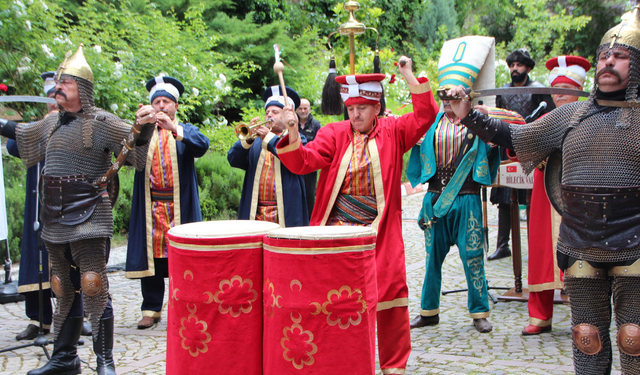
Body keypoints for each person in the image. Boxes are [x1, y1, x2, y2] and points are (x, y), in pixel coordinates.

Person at [447, 8, 640, 373]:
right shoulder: (572, 117)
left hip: (636, 242)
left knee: (634, 338)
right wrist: (469, 114)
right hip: (580, 240)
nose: (609, 62)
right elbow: (516, 137)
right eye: (604, 55)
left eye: (621, 56)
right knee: (587, 337)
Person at [276, 56, 438, 375]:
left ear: (376, 106)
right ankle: (337, 360)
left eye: (362, 108)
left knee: (391, 293)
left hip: (379, 231)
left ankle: (394, 366)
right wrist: (292, 132)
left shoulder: (394, 131)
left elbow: (426, 115)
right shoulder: (335, 134)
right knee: (334, 301)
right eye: (351, 108)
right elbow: (303, 162)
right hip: (337, 234)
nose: (355, 114)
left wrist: (407, 75)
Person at [0, 44, 153, 375]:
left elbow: (136, 151)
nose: (58, 87)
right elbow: (21, 133)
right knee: (61, 285)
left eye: (65, 83)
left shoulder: (102, 122)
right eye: (58, 82)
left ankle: (104, 361)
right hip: (55, 216)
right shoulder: (52, 123)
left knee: (93, 284)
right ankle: (65, 357)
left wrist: (147, 124)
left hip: (88, 214)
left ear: (82, 90)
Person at [125, 76, 209, 329]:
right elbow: (124, 155)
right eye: (157, 101)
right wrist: (138, 127)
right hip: (150, 208)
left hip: (179, 207)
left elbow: (202, 146)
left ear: (175, 106)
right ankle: (150, 310)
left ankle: (184, 306)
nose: (161, 106)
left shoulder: (185, 130)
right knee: (151, 260)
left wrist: (174, 128)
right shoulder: (142, 132)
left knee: (181, 258)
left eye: (166, 102)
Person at [518, 55, 591, 336]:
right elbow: (523, 153)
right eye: (557, 88)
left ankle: (583, 315)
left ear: (578, 88)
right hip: (545, 195)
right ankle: (540, 316)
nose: (560, 93)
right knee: (541, 252)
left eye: (567, 87)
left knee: (581, 256)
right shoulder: (544, 120)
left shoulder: (592, 118)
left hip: (581, 198)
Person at [489, 48, 556, 261]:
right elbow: (496, 118)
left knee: (530, 199)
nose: (514, 68)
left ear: (527, 67)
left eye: (519, 64)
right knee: (506, 199)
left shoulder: (538, 90)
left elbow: (548, 117)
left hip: (532, 147)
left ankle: (534, 246)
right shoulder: (503, 91)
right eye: (512, 65)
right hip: (506, 147)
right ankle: (502, 245)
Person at [8, 71, 57, 341]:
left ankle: (74, 317)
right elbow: (14, 146)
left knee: (69, 263)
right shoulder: (35, 126)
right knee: (34, 260)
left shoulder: (76, 124)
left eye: (57, 99)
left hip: (68, 207)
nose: (53, 104)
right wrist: (41, 126)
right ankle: (39, 320)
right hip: (37, 207)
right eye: (49, 99)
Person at [227, 85, 308, 227]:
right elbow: (233, 159)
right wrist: (248, 139)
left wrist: (269, 138)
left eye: (275, 112)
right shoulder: (256, 142)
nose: (269, 115)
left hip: (286, 210)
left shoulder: (297, 138)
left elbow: (297, 158)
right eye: (267, 112)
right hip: (255, 211)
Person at [296, 98, 321, 218]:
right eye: (300, 108)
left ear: (310, 109)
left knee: (309, 195)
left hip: (310, 167)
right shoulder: (292, 123)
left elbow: (320, 144)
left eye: (305, 108)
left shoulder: (315, 124)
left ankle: (310, 221)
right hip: (295, 166)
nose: (302, 111)